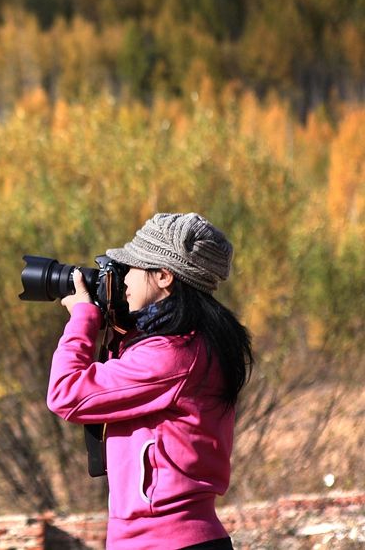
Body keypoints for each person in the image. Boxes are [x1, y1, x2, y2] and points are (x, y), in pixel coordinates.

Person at [46, 212, 254, 550]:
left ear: (163, 276)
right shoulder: (192, 344)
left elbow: (66, 393)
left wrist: (83, 317)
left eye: (133, 268)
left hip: (166, 541)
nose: (124, 279)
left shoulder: (173, 355)